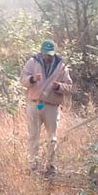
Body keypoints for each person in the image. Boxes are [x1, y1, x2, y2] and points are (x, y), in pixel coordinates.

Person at [19, 39, 73, 177]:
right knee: (33, 136)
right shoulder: (32, 62)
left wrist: (59, 87)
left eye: (50, 54)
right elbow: (23, 80)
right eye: (45, 54)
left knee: (52, 138)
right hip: (34, 103)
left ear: (54, 53)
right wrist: (32, 79)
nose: (47, 57)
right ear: (41, 52)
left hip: (51, 106)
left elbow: (69, 87)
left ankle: (50, 165)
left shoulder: (61, 66)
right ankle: (33, 165)